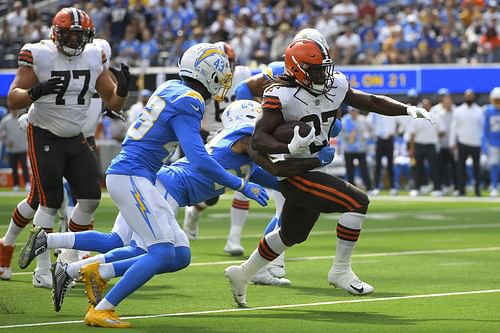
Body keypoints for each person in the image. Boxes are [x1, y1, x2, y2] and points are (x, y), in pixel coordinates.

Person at [19, 99, 331, 312]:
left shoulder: (246, 155)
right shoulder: (242, 137)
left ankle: (60, 254)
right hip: (166, 188)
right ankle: (93, 281)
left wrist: (311, 168)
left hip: (162, 186)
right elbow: (264, 155)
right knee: (157, 252)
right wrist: (304, 155)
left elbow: (277, 178)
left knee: (120, 242)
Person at [224, 38, 435, 308]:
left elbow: (368, 101)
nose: (324, 74)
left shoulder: (334, 84)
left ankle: (242, 273)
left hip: (311, 165)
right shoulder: (280, 94)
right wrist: (288, 144)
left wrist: (407, 109)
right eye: (316, 69)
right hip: (293, 171)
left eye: (324, 68)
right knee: (357, 201)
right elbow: (259, 140)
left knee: (292, 235)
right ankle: (340, 271)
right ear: (298, 69)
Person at [80, 43, 270, 328]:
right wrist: (241, 186)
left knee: (175, 254)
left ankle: (80, 268)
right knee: (153, 250)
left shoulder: (171, 87)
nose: (223, 80)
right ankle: (99, 302)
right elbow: (199, 160)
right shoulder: (192, 100)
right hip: (141, 176)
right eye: (220, 73)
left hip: (141, 173)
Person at [5, 8, 129, 287]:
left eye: (79, 35)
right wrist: (36, 92)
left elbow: (112, 101)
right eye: (69, 35)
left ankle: (68, 260)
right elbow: (13, 99)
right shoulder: (39, 54)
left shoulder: (96, 54)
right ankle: (42, 269)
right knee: (48, 201)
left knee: (90, 197)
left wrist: (122, 90)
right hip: (44, 134)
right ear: (56, 34)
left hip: (76, 135)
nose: (74, 41)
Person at [407, 98, 445, 197]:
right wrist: (411, 149)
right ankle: (416, 188)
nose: (426, 107)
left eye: (427, 105)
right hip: (419, 145)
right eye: (424, 105)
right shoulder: (416, 117)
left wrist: (434, 136)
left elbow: (442, 131)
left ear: (430, 106)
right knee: (418, 168)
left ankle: (437, 188)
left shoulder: (436, 117)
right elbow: (412, 135)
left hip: (431, 145)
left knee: (435, 168)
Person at [449, 89, 484, 196]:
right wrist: (452, 142)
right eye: (467, 96)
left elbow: (482, 128)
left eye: (471, 96)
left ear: (473, 97)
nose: (469, 98)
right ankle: (461, 189)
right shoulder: (458, 111)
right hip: (462, 142)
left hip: (475, 143)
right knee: (461, 168)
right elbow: (454, 127)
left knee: (476, 168)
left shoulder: (479, 111)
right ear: (465, 97)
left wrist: (482, 143)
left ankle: (477, 189)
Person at [431, 88, 457, 194]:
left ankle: (456, 187)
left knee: (455, 167)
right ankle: (443, 185)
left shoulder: (455, 110)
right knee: (441, 167)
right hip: (440, 143)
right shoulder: (435, 110)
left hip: (452, 143)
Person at [342, 106, 373, 191]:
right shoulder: (345, 120)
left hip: (361, 148)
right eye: (352, 111)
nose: (353, 113)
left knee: (364, 168)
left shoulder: (363, 120)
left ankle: (369, 187)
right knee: (349, 170)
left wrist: (366, 137)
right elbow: (341, 134)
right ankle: (351, 188)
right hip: (348, 149)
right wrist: (349, 137)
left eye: (355, 111)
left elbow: (371, 131)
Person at [0, 109, 30, 192]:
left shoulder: (23, 119)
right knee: (14, 168)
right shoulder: (6, 120)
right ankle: (16, 185)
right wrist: (6, 141)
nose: (14, 111)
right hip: (11, 149)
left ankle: (27, 183)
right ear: (10, 110)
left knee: (24, 167)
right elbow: (0, 132)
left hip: (22, 148)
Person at [483, 87, 500, 197]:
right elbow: (485, 129)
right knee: (493, 165)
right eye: (496, 100)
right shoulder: (488, 111)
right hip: (493, 142)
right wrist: (485, 144)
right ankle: (494, 186)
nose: (497, 103)